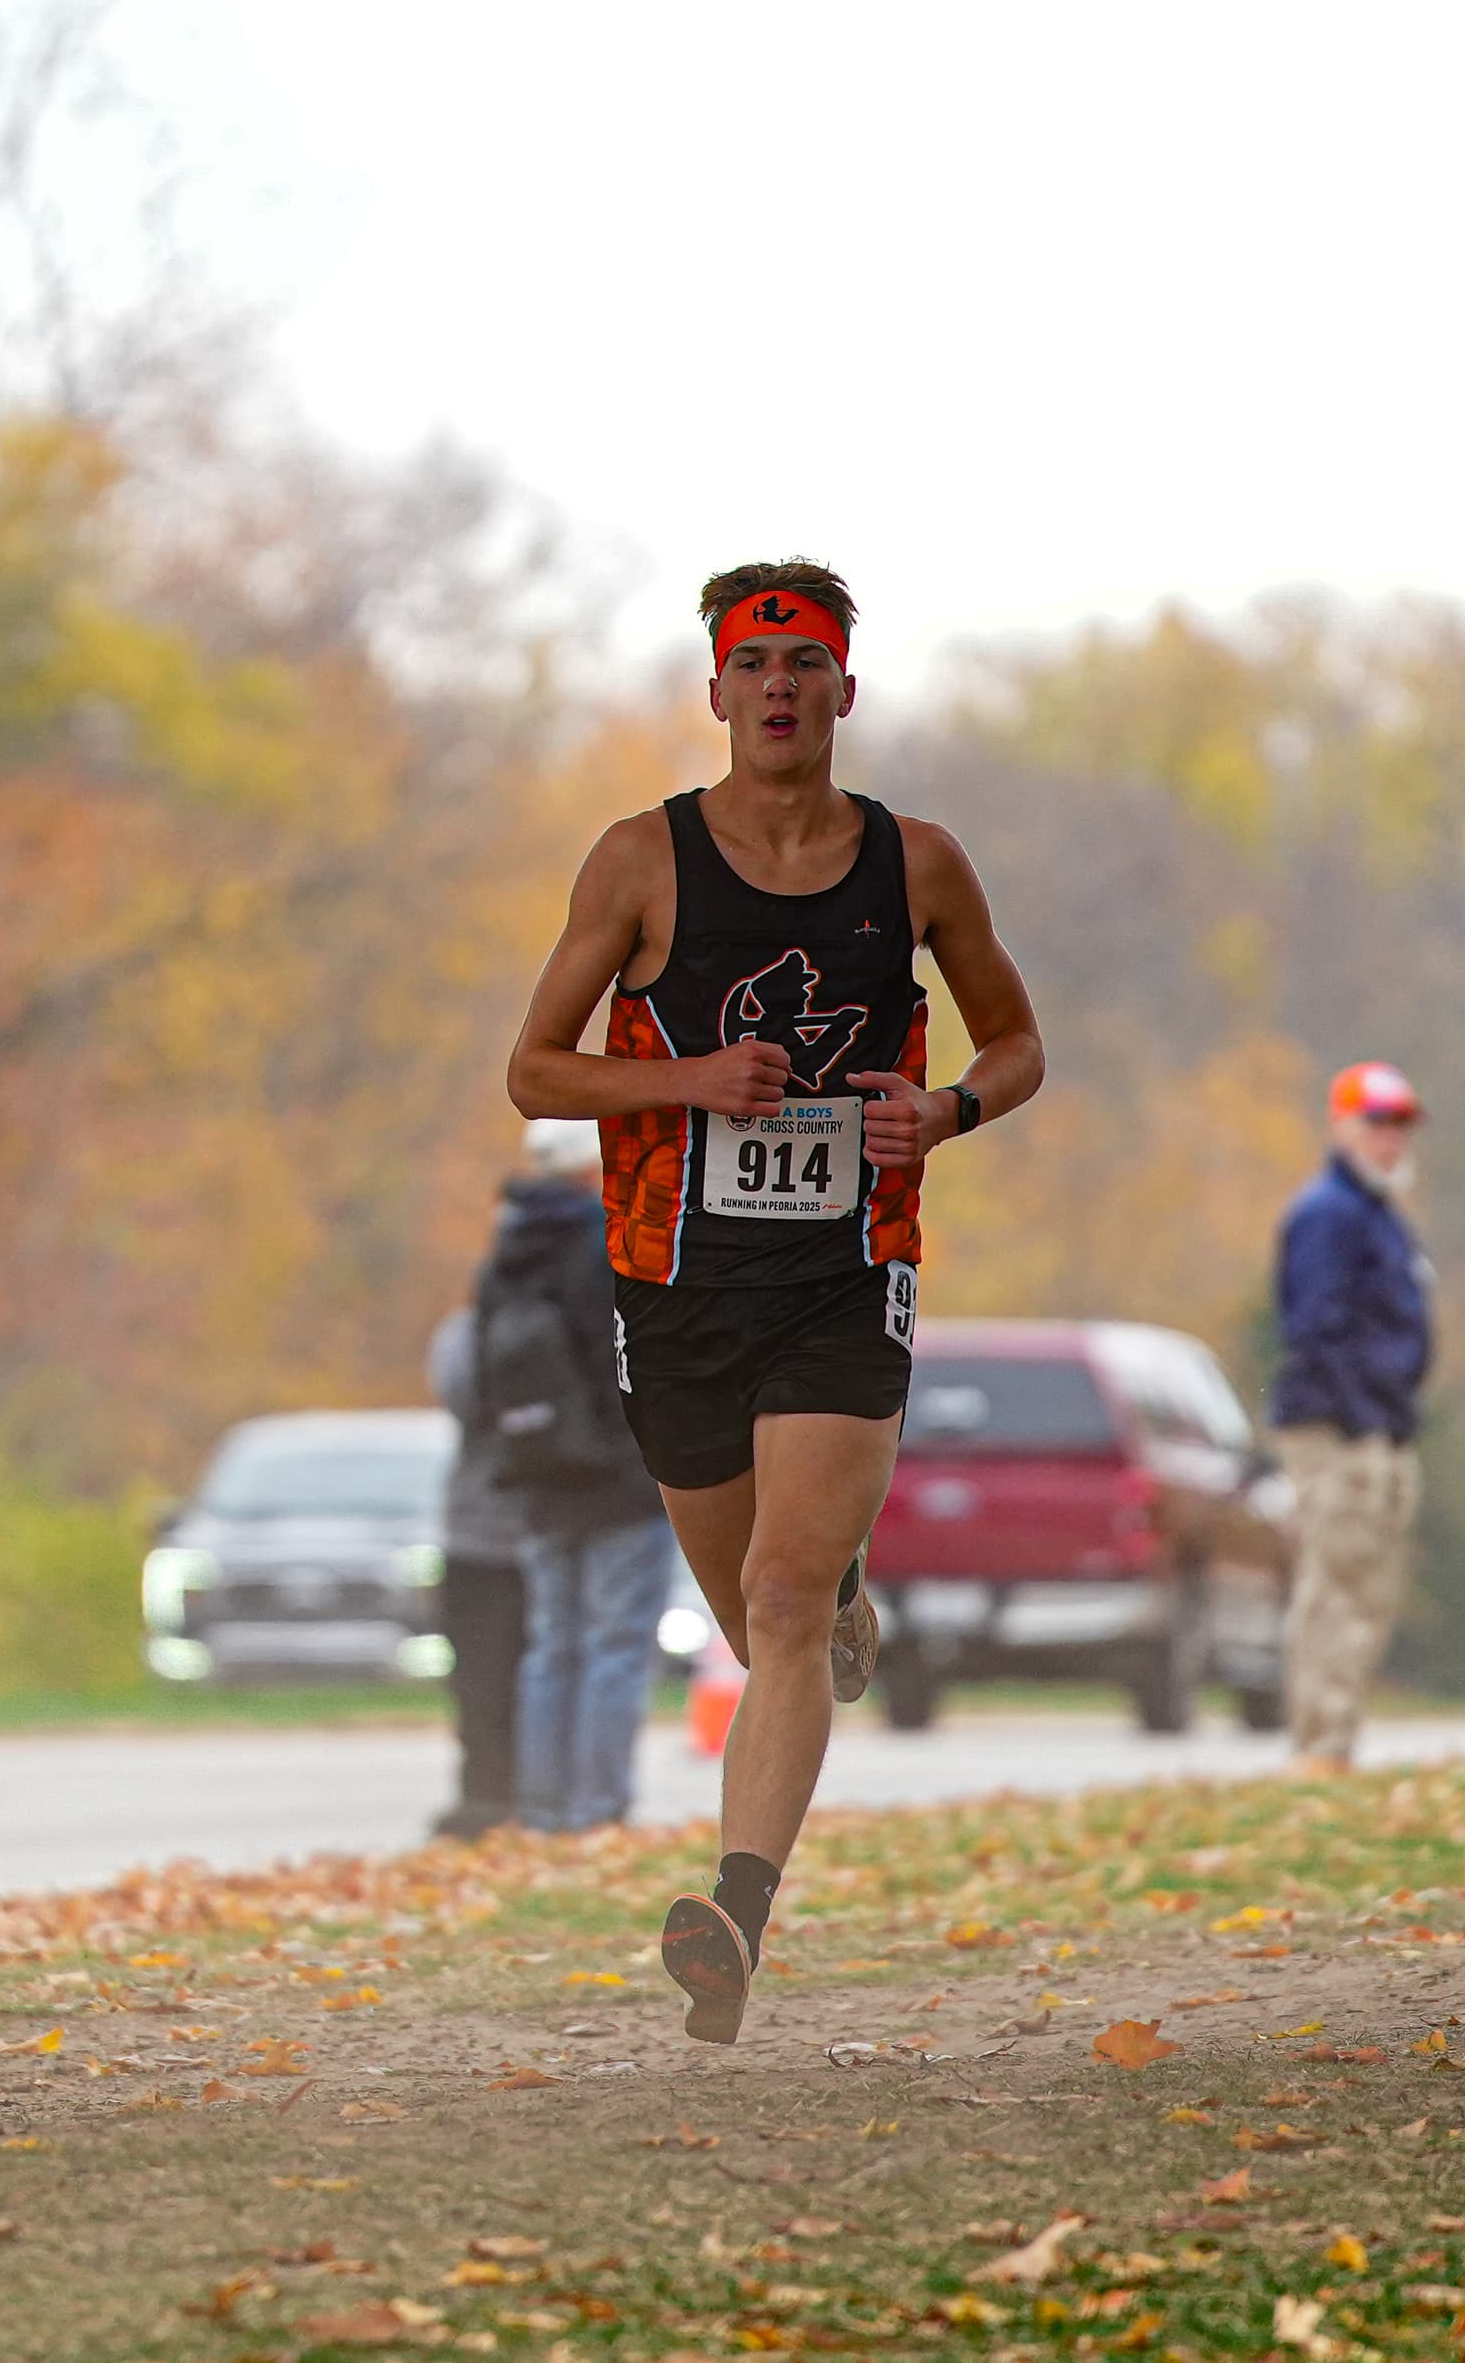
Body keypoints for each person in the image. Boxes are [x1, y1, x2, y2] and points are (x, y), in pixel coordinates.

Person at [506, 559, 1044, 2044]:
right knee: (753, 1612)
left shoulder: (917, 864)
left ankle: (735, 1915)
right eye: (757, 666)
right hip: (672, 1276)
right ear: (721, 693)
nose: (783, 688)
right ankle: (847, 1594)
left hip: (842, 1270)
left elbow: (1015, 1041)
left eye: (807, 663)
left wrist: (942, 1114)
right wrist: (685, 1079)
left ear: (845, 691)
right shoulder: (640, 861)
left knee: (784, 1602)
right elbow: (534, 1071)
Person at [476, 1115, 676, 1834]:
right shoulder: (608, 1242)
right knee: (615, 1645)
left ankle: (544, 1808)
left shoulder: (506, 1251)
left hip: (538, 1474)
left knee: (553, 1644)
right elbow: (635, 1358)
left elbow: (480, 1371)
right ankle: (599, 1810)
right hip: (621, 1474)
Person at [1268, 1060, 1437, 1772]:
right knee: (1334, 1588)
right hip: (1338, 1429)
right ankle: (1320, 1746)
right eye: (1376, 1123)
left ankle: (1338, 1742)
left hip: (1380, 1426)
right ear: (1341, 1126)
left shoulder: (1378, 1215)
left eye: (1399, 1125)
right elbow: (1316, 1328)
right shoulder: (1328, 1214)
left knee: (1368, 1590)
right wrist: (1361, 1416)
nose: (1390, 1139)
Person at [426, 1297, 528, 1839]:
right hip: (558, 1523)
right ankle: (547, 1798)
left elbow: (454, 1389)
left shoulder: (470, 1329)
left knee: (480, 1679)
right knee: (549, 1672)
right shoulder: (594, 1311)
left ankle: (485, 1795)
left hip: (477, 1530)